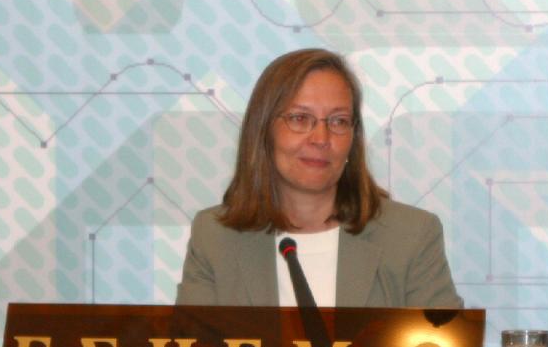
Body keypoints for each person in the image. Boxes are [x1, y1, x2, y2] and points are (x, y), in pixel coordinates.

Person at [176, 48, 463, 309]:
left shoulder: (411, 236)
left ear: (353, 138)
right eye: (300, 118)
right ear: (263, 130)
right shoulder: (214, 238)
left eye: (338, 121)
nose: (321, 138)